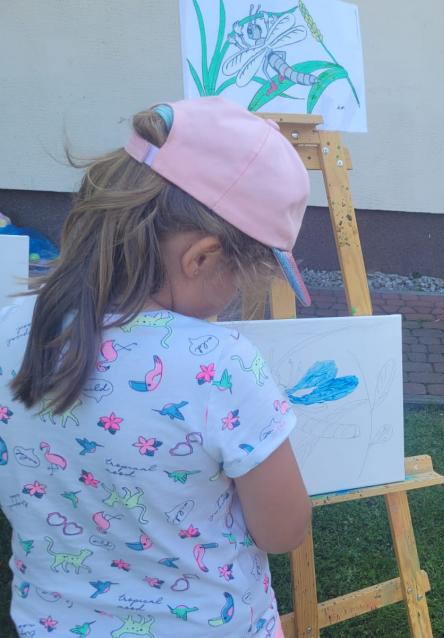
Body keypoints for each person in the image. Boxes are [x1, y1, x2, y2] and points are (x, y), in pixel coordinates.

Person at [0, 97, 313, 637]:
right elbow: (283, 531)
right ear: (202, 258)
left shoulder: (10, 325)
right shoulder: (222, 364)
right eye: (242, 277)